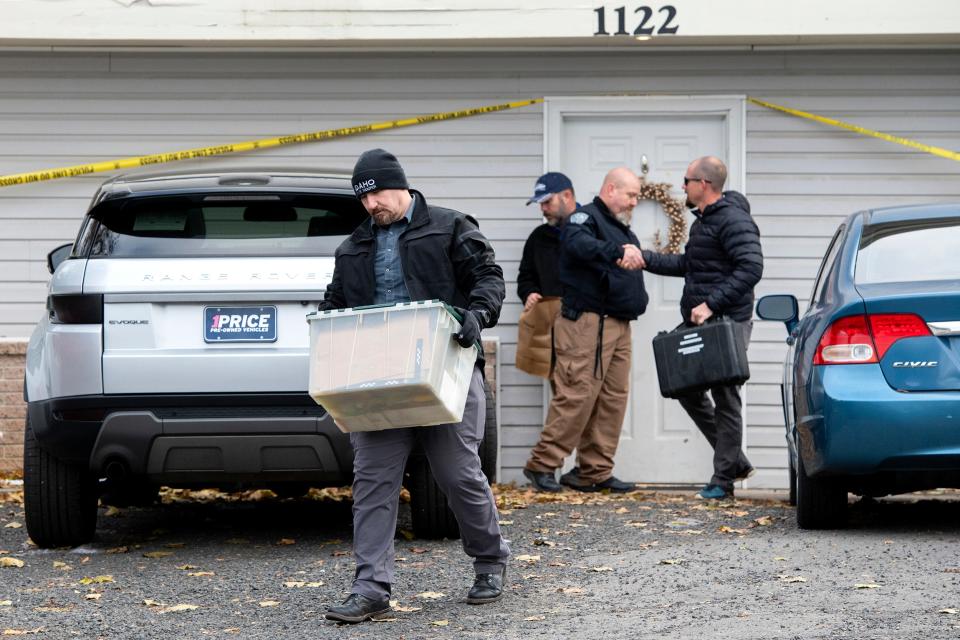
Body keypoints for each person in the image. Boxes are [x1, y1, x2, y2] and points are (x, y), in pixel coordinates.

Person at [321, 149, 510, 623]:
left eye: (377, 195)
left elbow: (487, 276)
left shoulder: (449, 227)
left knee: (457, 472)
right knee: (373, 480)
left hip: (446, 369)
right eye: (362, 200)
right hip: (378, 379)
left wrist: (478, 314)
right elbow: (335, 305)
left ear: (400, 186)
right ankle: (370, 588)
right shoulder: (352, 248)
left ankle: (490, 559)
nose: (370, 207)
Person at [640, 156, 764, 500]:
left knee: (726, 395)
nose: (683, 186)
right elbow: (690, 265)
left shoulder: (733, 220)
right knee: (683, 386)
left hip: (727, 321)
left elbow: (751, 268)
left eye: (686, 180)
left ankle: (723, 480)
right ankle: (734, 462)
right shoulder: (703, 221)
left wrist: (711, 304)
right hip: (702, 319)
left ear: (704, 184)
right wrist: (645, 258)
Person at [523, 167, 649, 493]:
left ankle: (593, 471)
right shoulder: (584, 220)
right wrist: (617, 251)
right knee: (577, 393)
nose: (635, 202)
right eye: (631, 195)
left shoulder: (616, 226)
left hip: (618, 323)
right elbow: (577, 245)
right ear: (611, 189)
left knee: (612, 399)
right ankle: (543, 464)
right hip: (588, 323)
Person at [515, 172, 577, 379]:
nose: (543, 209)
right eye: (540, 204)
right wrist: (530, 293)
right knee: (563, 393)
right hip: (551, 331)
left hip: (587, 327)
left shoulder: (592, 227)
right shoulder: (539, 237)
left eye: (547, 202)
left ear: (567, 195)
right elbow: (525, 277)